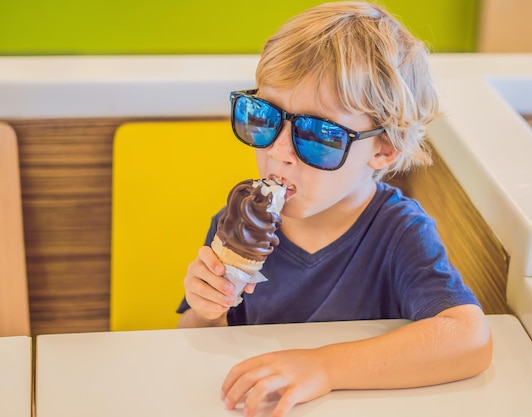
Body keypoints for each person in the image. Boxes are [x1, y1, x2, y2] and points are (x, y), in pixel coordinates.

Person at [177, 1, 492, 416]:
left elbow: (469, 338)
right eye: (265, 117)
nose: (279, 151)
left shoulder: (399, 233)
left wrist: (323, 367)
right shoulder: (237, 222)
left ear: (384, 149)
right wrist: (203, 310)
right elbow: (192, 342)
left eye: (318, 135)